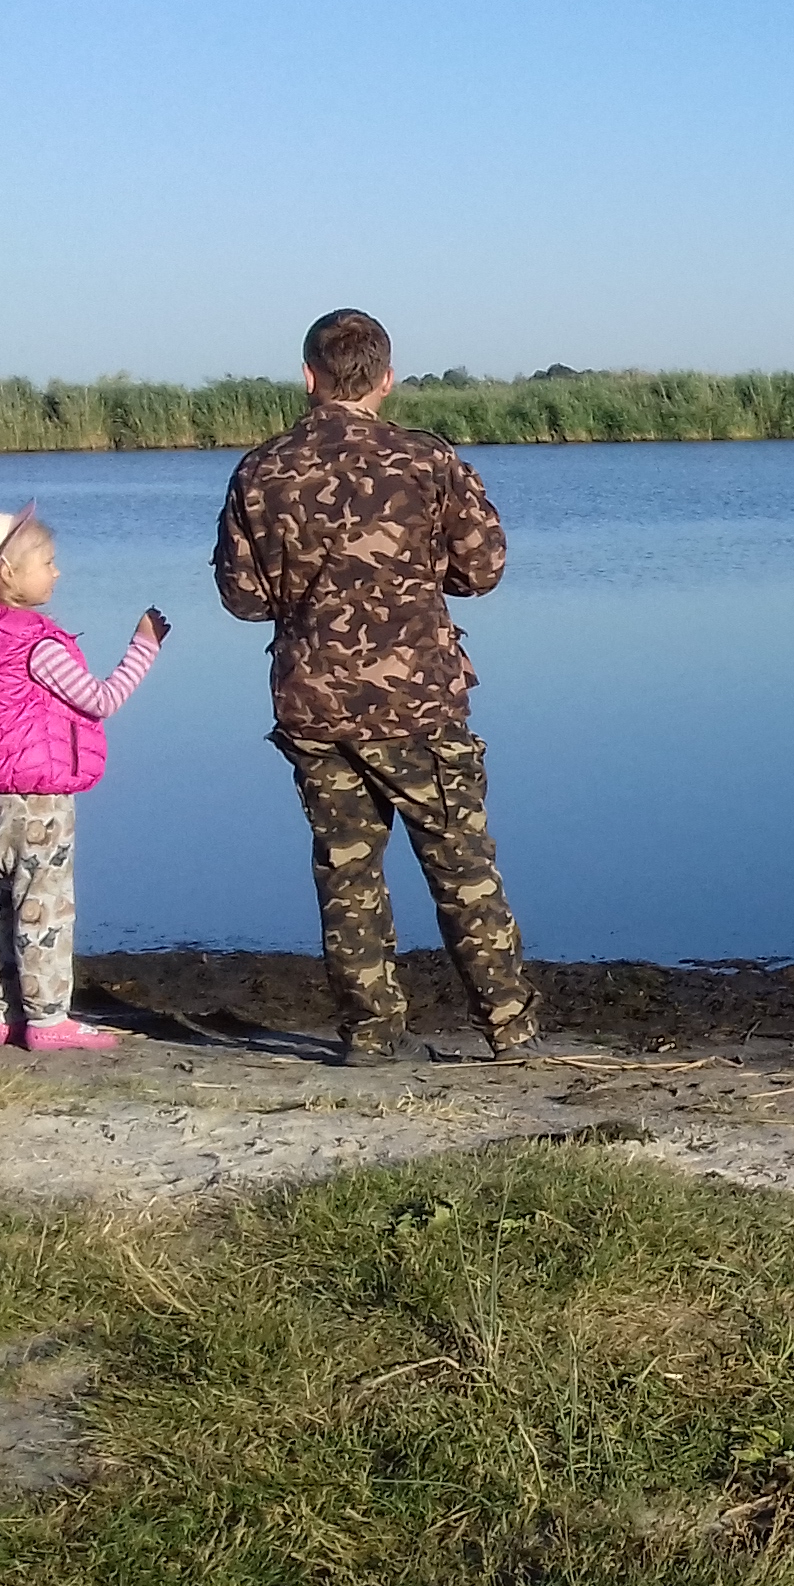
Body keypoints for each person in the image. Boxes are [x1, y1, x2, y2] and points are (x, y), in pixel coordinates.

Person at [213, 308, 542, 1063]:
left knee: (347, 872)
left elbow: (243, 597)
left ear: (309, 377)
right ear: (387, 379)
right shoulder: (428, 460)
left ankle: (370, 1035)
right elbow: (482, 570)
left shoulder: (262, 469)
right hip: (418, 702)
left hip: (314, 701)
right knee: (461, 865)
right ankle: (510, 1028)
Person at [0, 505, 167, 1050]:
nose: (56, 571)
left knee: (3, 903)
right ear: (8, 572)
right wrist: (145, 646)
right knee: (45, 904)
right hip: (40, 797)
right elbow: (100, 699)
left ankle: (4, 1013)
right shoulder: (37, 645)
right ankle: (47, 1020)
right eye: (47, 561)